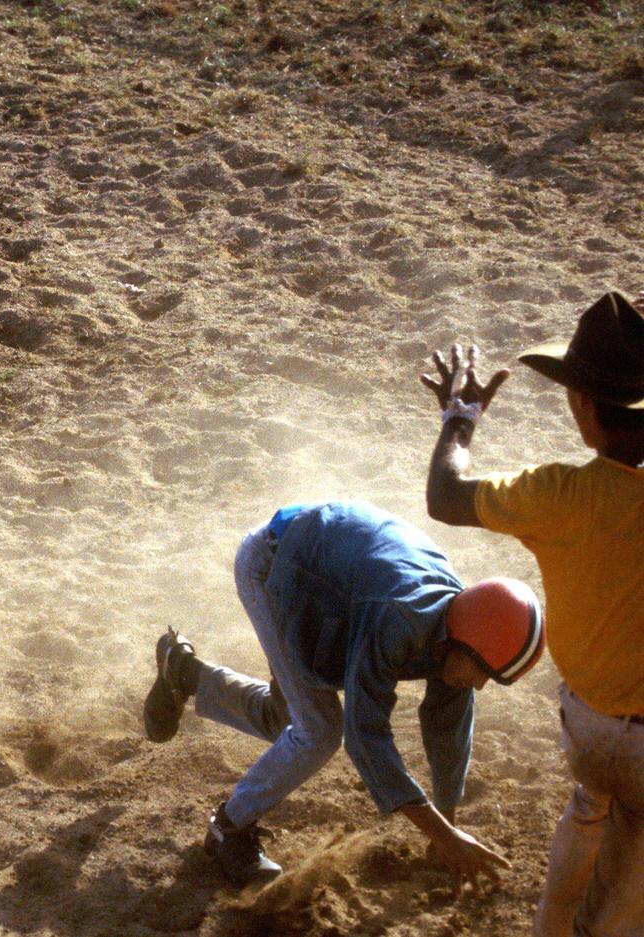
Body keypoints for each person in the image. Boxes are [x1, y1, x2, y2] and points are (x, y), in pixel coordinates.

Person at [144, 500, 545, 890]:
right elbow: (365, 734)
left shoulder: (457, 625)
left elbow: (447, 726)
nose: (478, 685)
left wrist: (448, 827)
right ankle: (228, 828)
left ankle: (184, 674)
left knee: (291, 720)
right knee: (318, 729)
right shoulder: (401, 619)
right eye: (483, 672)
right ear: (467, 643)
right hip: (275, 564)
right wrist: (443, 836)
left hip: (323, 583)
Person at [420, 291, 644, 937]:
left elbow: (445, 493)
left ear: (581, 404)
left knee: (589, 805)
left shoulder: (559, 494)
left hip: (585, 723)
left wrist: (460, 419)